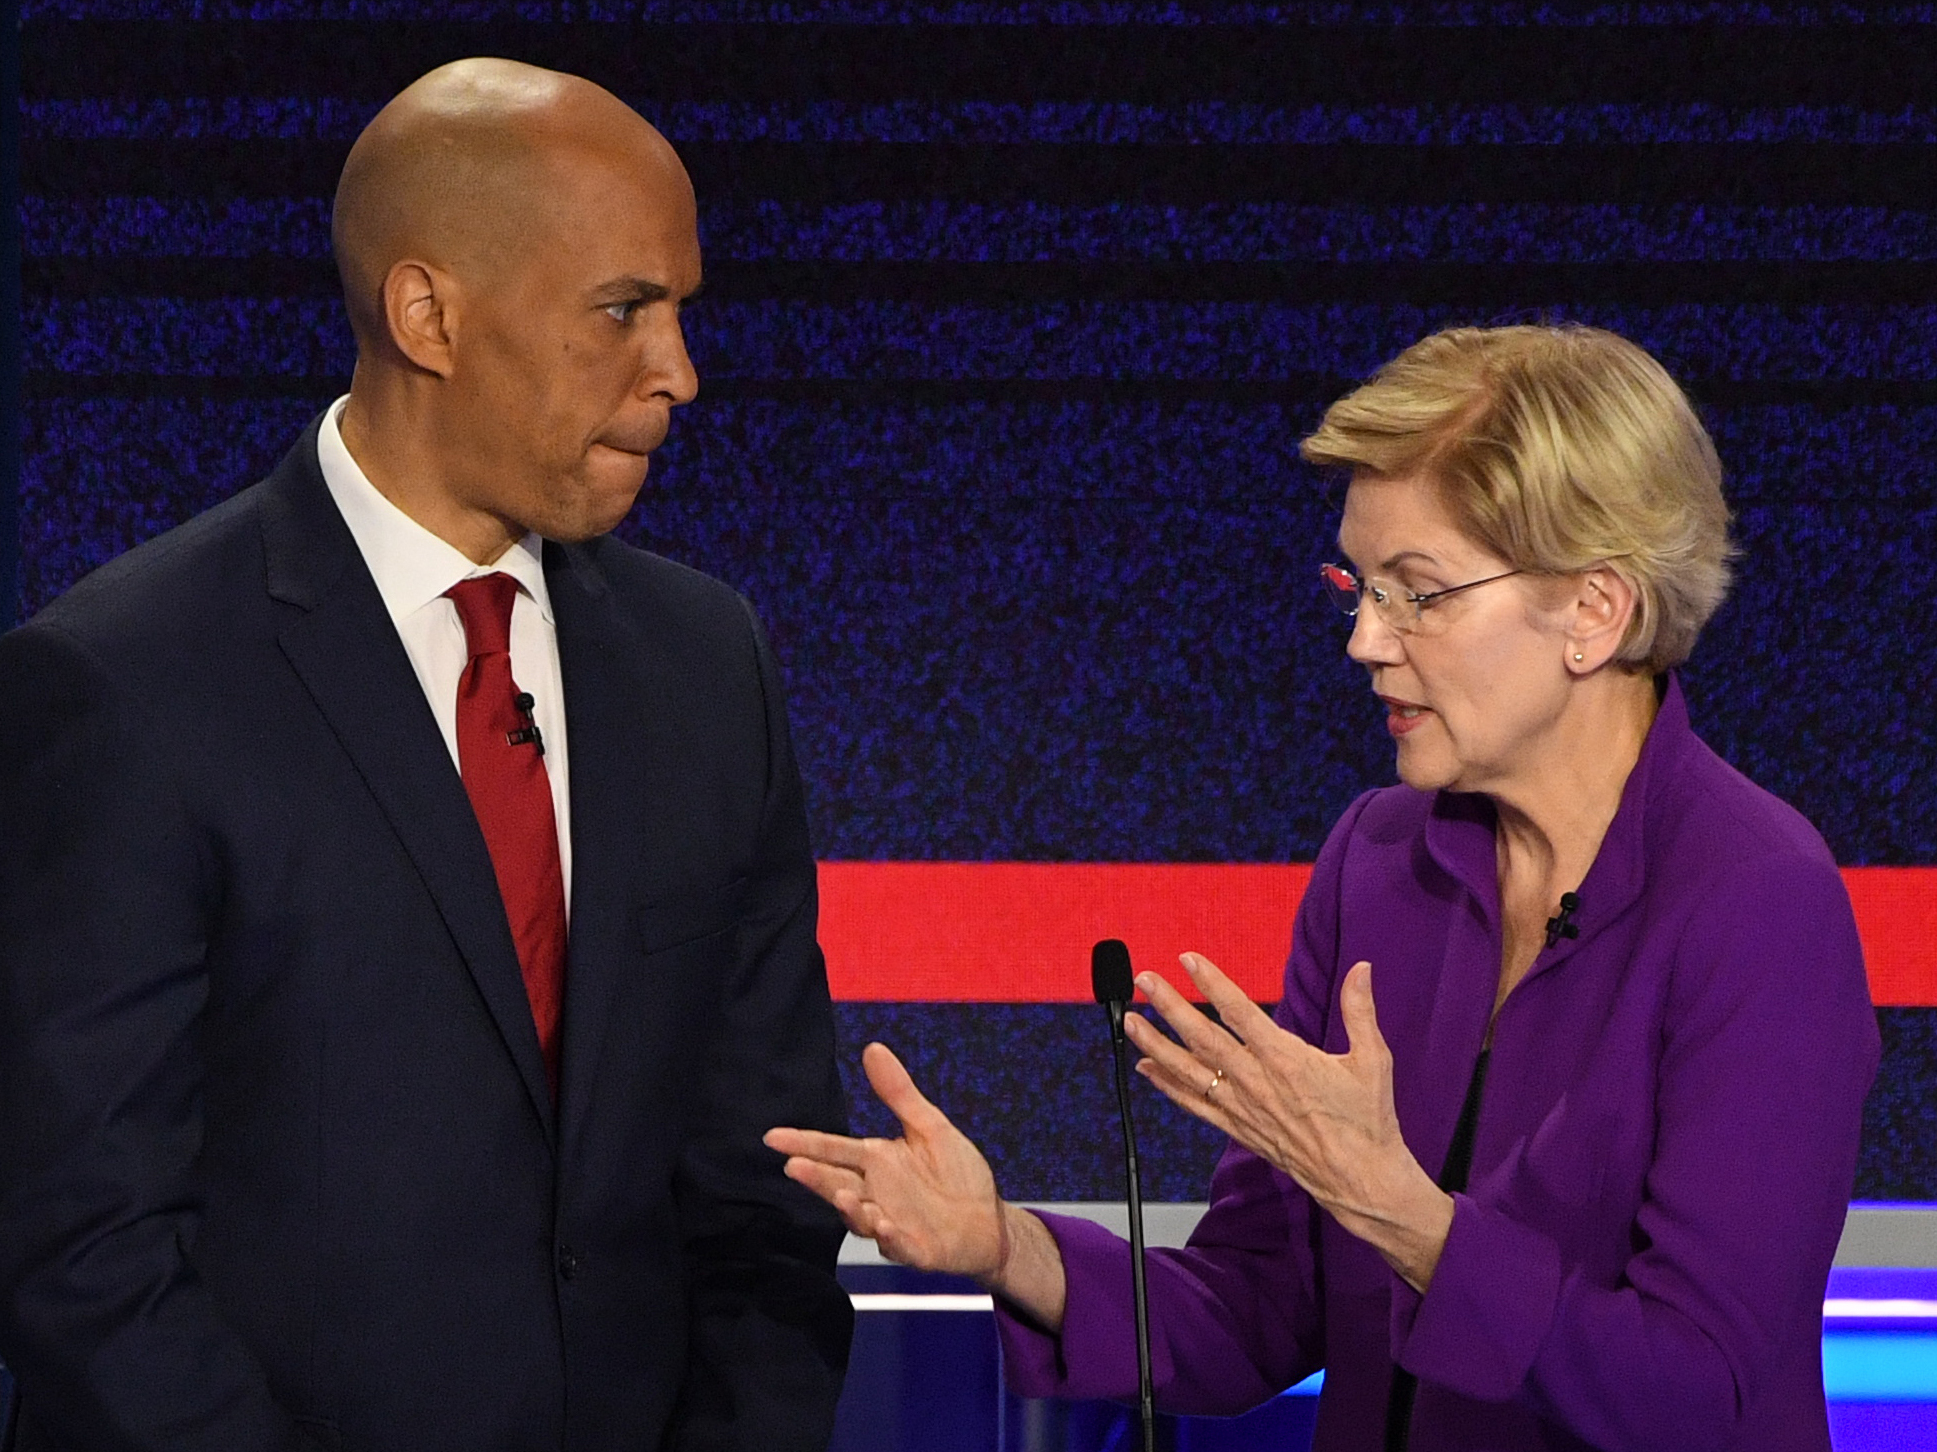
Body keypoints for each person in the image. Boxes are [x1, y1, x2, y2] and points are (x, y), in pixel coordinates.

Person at [768, 324, 1879, 1452]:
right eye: (1358, 585)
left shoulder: (1756, 906)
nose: (1363, 641)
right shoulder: (1379, 861)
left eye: (1419, 593)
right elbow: (1259, 1307)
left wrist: (1402, 1217)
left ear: (1593, 612)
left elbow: (1693, 1394)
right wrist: (1006, 1245)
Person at [0, 60, 851, 1452]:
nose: (680, 374)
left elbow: (766, 1196)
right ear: (427, 314)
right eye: (624, 311)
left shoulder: (707, 667)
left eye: (682, 312)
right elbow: (76, 1247)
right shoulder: (123, 685)